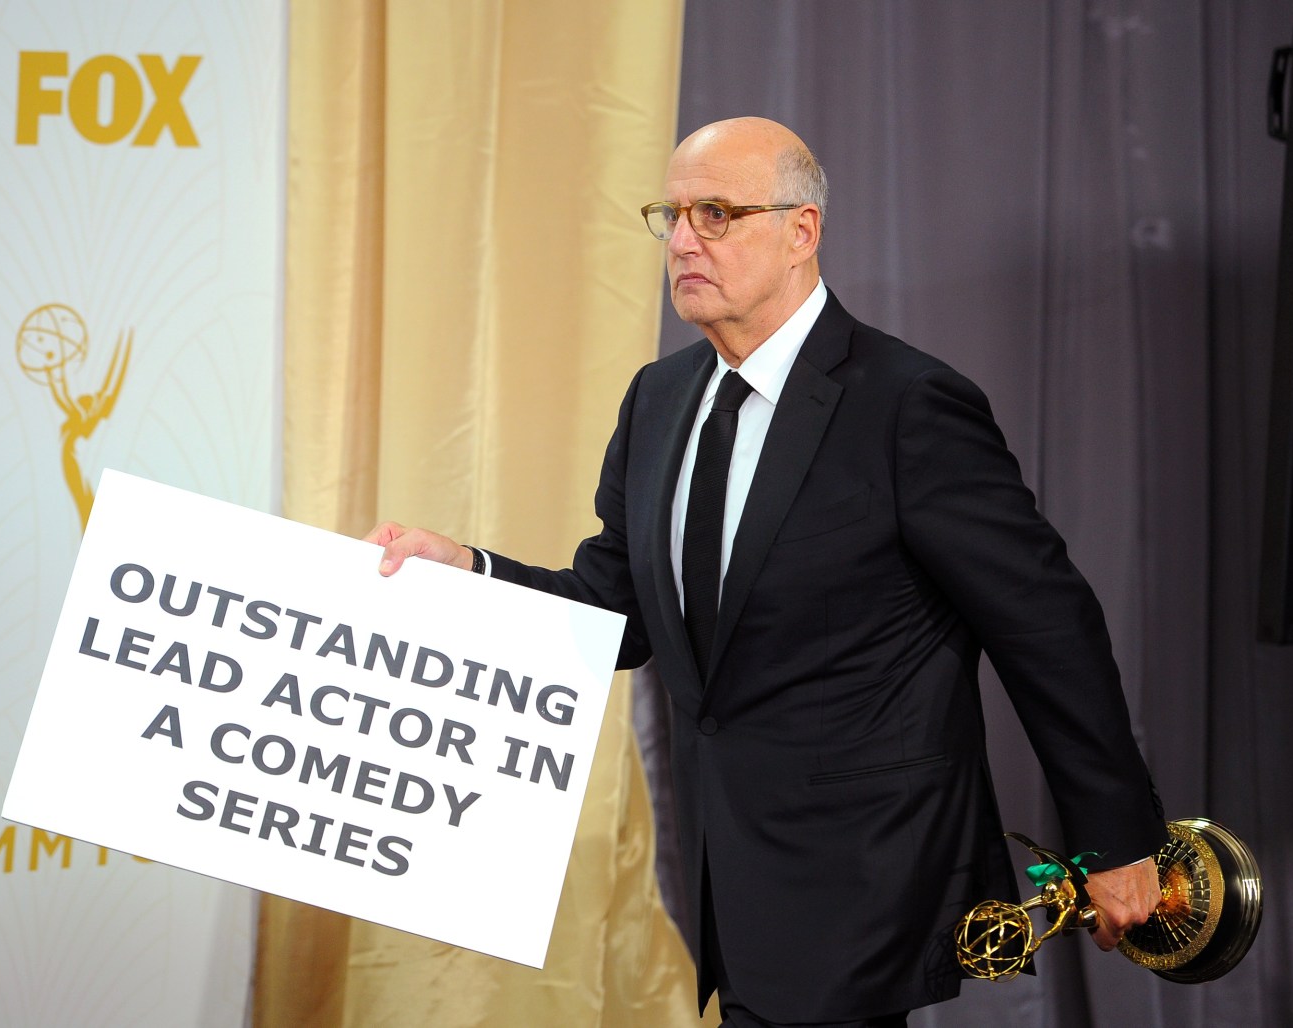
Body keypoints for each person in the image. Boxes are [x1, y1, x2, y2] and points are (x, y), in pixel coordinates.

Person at [368, 117, 1167, 1027]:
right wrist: (467, 572)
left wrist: (1115, 837)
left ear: (801, 231)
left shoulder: (907, 404)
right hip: (725, 875)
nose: (682, 241)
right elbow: (616, 609)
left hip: (868, 876)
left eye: (715, 213)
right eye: (670, 215)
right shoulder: (658, 398)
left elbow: (1045, 624)